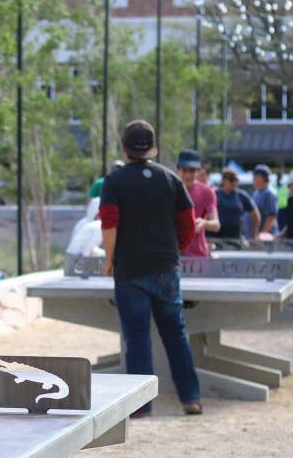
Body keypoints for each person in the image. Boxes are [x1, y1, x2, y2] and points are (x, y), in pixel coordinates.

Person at [100, 120, 202, 417]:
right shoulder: (171, 179)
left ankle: (141, 405)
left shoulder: (115, 181)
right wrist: (174, 250)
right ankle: (190, 398)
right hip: (165, 266)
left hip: (130, 270)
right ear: (153, 148)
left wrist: (109, 258)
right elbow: (188, 222)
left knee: (137, 337)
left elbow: (109, 223)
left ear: (124, 148)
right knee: (175, 333)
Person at [175, 150, 220, 257]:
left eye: (192, 170)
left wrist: (204, 223)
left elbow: (216, 225)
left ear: (198, 171)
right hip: (174, 253)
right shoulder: (170, 189)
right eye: (184, 170)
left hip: (197, 254)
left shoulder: (206, 191)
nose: (188, 175)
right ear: (177, 169)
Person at [210, 168, 260, 241]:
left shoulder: (241, 196)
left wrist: (254, 236)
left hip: (236, 238)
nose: (234, 182)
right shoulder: (214, 194)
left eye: (236, 180)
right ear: (224, 180)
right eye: (231, 180)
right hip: (216, 238)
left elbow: (256, 216)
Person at [250, 164, 279, 236]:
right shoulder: (256, 192)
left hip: (267, 236)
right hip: (257, 234)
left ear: (264, 178)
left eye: (256, 177)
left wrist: (262, 234)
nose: (253, 179)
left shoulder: (270, 193)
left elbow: (272, 216)